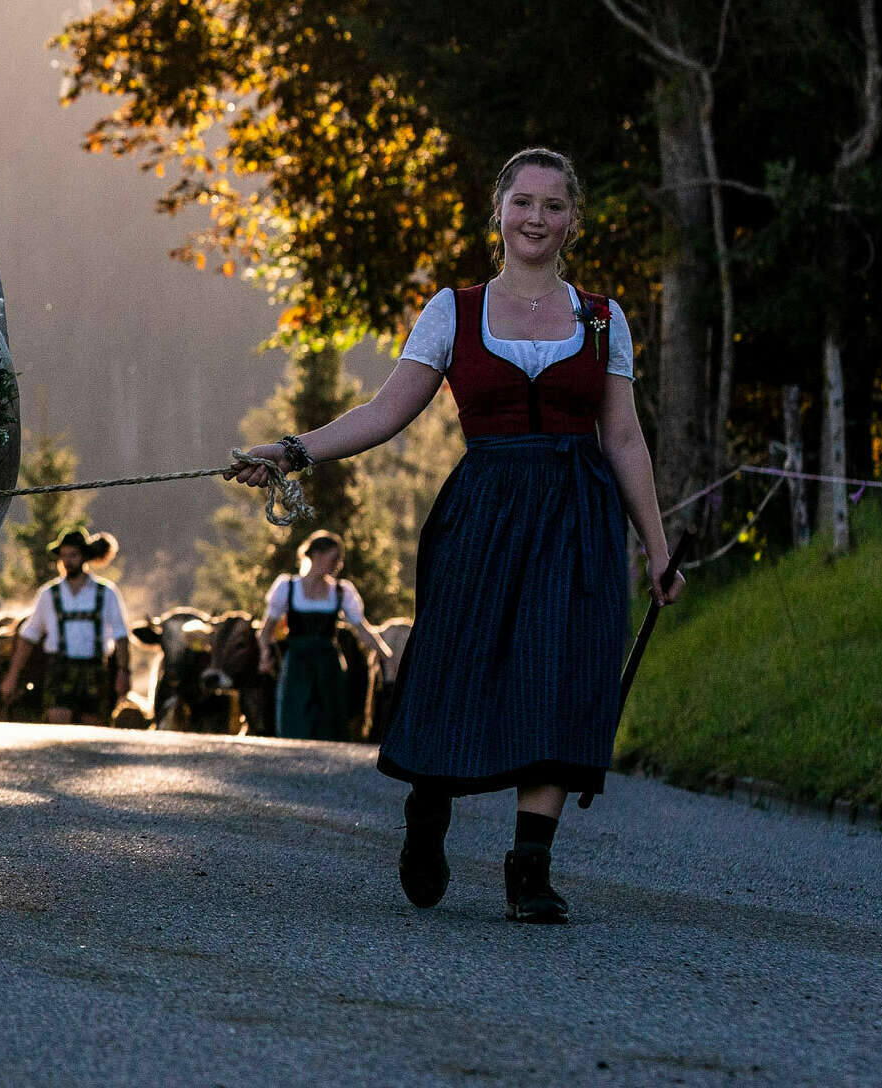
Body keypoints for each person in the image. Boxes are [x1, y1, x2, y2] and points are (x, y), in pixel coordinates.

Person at [233, 147, 681, 924]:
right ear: (498, 211)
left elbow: (625, 439)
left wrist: (658, 547)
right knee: (457, 667)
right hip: (483, 510)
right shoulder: (454, 309)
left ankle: (529, 868)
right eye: (523, 202)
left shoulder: (604, 318)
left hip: (578, 515)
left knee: (563, 672)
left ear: (573, 221)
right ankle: (428, 803)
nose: (537, 218)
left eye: (553, 205)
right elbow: (383, 412)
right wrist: (296, 450)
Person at [259, 532, 390, 741]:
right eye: (334, 558)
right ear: (317, 555)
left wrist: (386, 653)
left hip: (329, 665)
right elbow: (265, 632)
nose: (337, 564)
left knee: (330, 723)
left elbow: (362, 628)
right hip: (297, 666)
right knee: (296, 720)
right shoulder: (287, 587)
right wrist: (265, 655)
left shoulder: (341, 591)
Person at [0, 529, 135, 725]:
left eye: (73, 555)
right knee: (58, 729)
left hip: (95, 670)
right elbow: (29, 637)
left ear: (84, 557)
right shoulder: (48, 594)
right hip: (59, 670)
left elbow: (121, 636)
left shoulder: (106, 593)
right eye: (63, 556)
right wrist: (12, 676)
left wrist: (123, 672)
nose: (67, 561)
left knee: (93, 732)